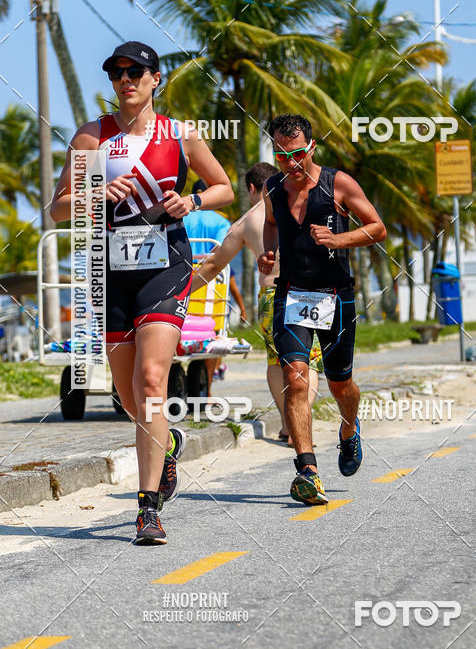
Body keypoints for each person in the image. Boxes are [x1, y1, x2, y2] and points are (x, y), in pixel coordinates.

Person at [51, 41, 233, 545]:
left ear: (157, 78)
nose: (125, 79)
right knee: (130, 397)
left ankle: (147, 509)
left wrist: (191, 198)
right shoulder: (92, 136)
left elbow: (224, 188)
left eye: (136, 72)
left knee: (154, 382)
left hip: (163, 270)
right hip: (107, 272)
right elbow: (56, 210)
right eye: (116, 72)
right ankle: (168, 442)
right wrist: (90, 192)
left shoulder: (179, 134)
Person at [258, 114, 386, 506]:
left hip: (336, 294)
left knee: (340, 385)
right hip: (292, 294)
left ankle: (349, 429)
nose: (291, 164)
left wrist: (337, 238)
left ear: (311, 148)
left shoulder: (338, 183)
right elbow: (269, 223)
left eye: (297, 154)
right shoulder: (272, 187)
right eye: (282, 156)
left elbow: (377, 228)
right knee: (295, 379)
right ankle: (307, 471)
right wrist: (268, 253)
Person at [192, 162, 324, 444]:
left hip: (271, 296)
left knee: (277, 362)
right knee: (309, 363)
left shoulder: (248, 220)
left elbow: (214, 264)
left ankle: (290, 426)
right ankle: (302, 424)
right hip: (309, 291)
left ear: (254, 188)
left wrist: (180, 290)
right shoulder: (304, 206)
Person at [183, 179, 246, 394]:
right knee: (211, 337)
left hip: (181, 280)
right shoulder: (221, 222)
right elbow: (220, 256)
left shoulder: (180, 218)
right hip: (211, 286)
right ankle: (207, 391)